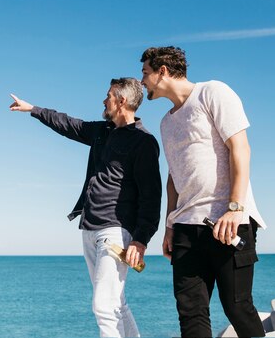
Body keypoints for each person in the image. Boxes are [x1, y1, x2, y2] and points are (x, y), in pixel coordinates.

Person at [9, 78, 161, 338]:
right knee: (116, 304)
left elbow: (151, 195)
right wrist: (33, 109)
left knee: (103, 306)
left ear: (121, 101)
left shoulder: (143, 141)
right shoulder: (102, 131)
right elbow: (68, 124)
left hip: (115, 231)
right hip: (89, 228)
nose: (104, 101)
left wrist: (141, 239)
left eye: (108, 96)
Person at [140, 46, 267, 337]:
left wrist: (235, 209)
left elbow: (240, 148)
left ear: (163, 71)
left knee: (237, 307)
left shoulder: (213, 92)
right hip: (186, 227)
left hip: (228, 222)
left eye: (145, 73)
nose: (143, 81)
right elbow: (174, 176)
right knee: (191, 312)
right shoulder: (166, 122)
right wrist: (170, 225)